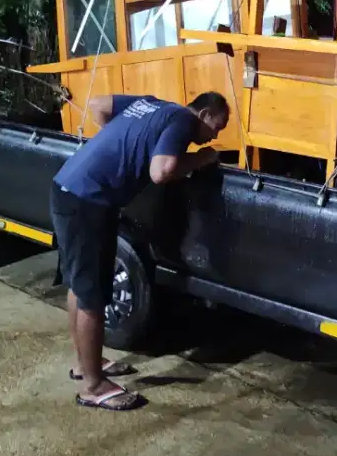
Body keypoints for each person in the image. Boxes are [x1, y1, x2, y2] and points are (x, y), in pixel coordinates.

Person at [50, 91, 230, 411]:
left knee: (80, 285)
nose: (213, 136)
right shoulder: (183, 121)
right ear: (203, 114)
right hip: (89, 201)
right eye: (216, 127)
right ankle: (93, 386)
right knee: (93, 296)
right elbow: (161, 172)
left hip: (68, 187)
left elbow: (99, 105)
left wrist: (119, 147)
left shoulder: (153, 103)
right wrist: (202, 158)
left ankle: (85, 365)